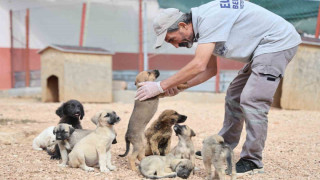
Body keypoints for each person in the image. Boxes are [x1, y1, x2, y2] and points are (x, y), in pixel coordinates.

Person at [135, 0, 301, 176]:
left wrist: (161, 86)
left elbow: (199, 65)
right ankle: (224, 145)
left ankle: (253, 160)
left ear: (183, 25)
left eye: (172, 39)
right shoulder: (203, 26)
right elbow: (210, 70)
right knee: (234, 95)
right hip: (263, 49)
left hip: (277, 43)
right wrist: (179, 87)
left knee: (252, 99)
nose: (176, 45)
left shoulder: (209, 20)